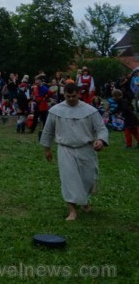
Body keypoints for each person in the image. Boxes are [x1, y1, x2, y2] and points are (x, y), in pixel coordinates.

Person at [40, 82, 109, 221]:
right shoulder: (55, 110)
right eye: (68, 96)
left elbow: (101, 128)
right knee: (69, 178)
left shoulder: (90, 110)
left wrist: (100, 140)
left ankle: (84, 201)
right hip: (65, 148)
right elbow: (48, 131)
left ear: (78, 94)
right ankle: (72, 210)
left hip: (86, 148)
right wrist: (47, 149)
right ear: (63, 95)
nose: (71, 98)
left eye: (73, 96)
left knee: (88, 178)